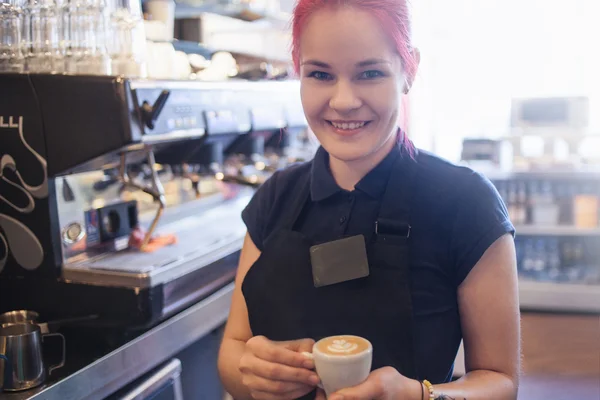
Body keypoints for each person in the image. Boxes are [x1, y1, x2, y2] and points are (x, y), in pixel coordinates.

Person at [217, 0, 521, 398]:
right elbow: (232, 352)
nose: (343, 100)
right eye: (320, 74)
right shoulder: (277, 197)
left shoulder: (466, 203)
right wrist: (252, 374)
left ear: (408, 69)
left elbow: (501, 382)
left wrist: (420, 396)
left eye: (370, 73)